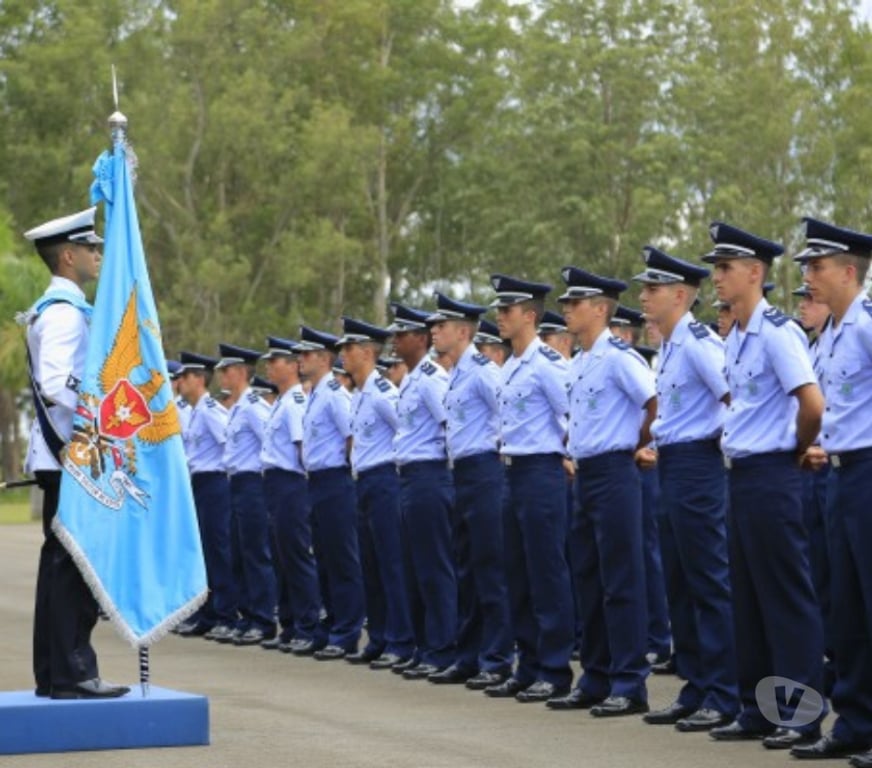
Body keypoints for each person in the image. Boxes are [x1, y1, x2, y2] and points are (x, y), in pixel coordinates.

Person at [701, 222, 826, 749]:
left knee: (785, 601)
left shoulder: (777, 332)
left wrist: (797, 447)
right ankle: (754, 708)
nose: (718, 280)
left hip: (775, 474)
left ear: (755, 272)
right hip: (743, 476)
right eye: (716, 270)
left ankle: (799, 715)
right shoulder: (735, 338)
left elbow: (812, 403)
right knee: (747, 600)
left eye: (725, 269)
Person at [22, 207, 129, 700]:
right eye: (91, 248)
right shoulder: (64, 313)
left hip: (65, 459)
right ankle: (73, 672)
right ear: (68, 256)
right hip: (75, 459)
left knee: (60, 566)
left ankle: (54, 672)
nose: (98, 255)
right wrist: (101, 409)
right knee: (76, 568)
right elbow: (53, 383)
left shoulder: (62, 308)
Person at [633, 246, 739, 731]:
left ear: (680, 294)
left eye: (652, 289)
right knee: (679, 579)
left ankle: (724, 691)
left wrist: (724, 449)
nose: (643, 297)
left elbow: (733, 398)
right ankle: (696, 686)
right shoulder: (671, 346)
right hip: (671, 465)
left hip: (698, 465)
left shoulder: (698, 343)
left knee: (708, 581)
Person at [548, 267, 655, 717]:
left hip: (614, 470)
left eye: (576, 303)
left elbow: (654, 402)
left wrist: (636, 442)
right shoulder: (578, 363)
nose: (568, 310)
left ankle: (629, 682)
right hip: (585, 473)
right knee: (587, 577)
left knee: (620, 580)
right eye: (566, 303)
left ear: (600, 308)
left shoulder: (619, 356)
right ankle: (595, 675)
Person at [791, 218, 872, 761]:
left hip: (867, 472)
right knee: (844, 606)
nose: (808, 277)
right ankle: (855, 720)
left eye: (817, 267)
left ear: (849, 271)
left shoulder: (865, 324)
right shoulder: (832, 334)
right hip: (838, 474)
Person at [484, 274, 574, 703]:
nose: (500, 317)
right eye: (499, 310)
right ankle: (529, 664)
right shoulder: (510, 366)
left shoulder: (547, 364)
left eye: (507, 310)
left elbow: (572, 415)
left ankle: (555, 669)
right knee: (516, 573)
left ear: (530, 316)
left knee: (546, 572)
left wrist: (568, 455)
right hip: (510, 471)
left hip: (541, 472)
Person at [427, 293, 513, 689]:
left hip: (483, 471)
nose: (434, 331)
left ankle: (496, 658)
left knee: (491, 567)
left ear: (462, 331)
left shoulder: (483, 371)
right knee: (466, 566)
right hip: (460, 472)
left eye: (440, 326)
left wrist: (495, 456)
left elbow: (505, 416)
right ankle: (469, 654)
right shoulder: (456, 373)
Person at [336, 317, 415, 668]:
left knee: (392, 563)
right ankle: (380, 636)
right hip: (363, 481)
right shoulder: (358, 395)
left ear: (367, 352)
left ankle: (401, 640)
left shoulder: (384, 393)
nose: (343, 355)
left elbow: (406, 430)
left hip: (384, 479)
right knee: (371, 563)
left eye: (349, 349)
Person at [386, 303, 457, 680]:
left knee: (435, 568)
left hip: (430, 477)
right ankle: (425, 645)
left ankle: (443, 647)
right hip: (409, 478)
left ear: (421, 338)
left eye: (401, 334)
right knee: (414, 569)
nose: (395, 341)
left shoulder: (431, 377)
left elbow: (451, 427)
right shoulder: (411, 378)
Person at [296, 326, 365, 660]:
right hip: (317, 482)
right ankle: (330, 626)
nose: (300, 360)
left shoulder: (336, 393)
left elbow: (351, 436)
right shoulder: (315, 394)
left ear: (324, 358)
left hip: (336, 481)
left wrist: (344, 474)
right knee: (323, 557)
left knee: (342, 558)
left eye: (306, 354)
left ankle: (347, 631)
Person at [260, 336, 324, 654]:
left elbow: (302, 447)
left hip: (292, 483)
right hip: (274, 484)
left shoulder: (296, 401)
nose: (270, 367)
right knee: (281, 556)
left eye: (277, 361)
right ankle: (289, 623)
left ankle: (307, 624)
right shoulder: (282, 401)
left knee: (297, 555)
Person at [215, 343, 277, 646]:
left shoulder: (253, 405)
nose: (221, 377)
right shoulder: (238, 405)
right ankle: (248, 614)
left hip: (253, 483)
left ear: (240, 372)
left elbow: (271, 440)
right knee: (239, 552)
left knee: (255, 553)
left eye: (226, 370)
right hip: (236, 483)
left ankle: (263, 618)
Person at [174, 351, 238, 640]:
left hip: (214, 483)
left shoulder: (211, 410)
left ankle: (225, 614)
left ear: (199, 379)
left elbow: (229, 444)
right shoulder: (197, 410)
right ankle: (208, 612)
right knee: (203, 554)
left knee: (219, 550)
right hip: (199, 484)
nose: (180, 382)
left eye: (185, 376)